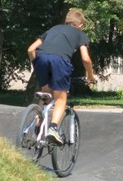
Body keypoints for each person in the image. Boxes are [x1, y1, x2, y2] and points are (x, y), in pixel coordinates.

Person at [27, 9, 97, 144]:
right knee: (61, 98)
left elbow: (31, 49)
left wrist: (37, 65)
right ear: (81, 24)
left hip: (41, 58)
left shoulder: (53, 29)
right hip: (59, 61)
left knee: (46, 94)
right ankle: (53, 129)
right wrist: (90, 76)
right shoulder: (80, 34)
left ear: (67, 21)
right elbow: (86, 59)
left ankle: (38, 127)